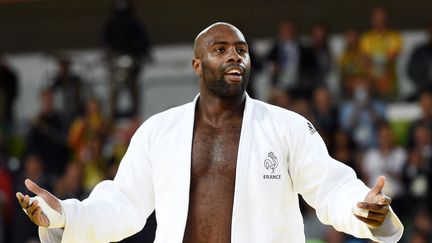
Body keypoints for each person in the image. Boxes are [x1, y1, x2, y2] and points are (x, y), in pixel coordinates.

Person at [16, 22, 403, 243]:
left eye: (242, 49)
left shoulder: (286, 127)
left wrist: (361, 208)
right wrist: (66, 213)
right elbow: (122, 205)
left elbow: (331, 187)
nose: (235, 55)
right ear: (197, 66)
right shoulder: (158, 131)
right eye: (220, 49)